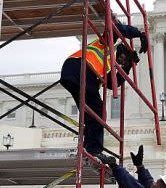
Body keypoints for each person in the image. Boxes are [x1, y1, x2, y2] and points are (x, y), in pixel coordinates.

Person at [59, 23, 148, 155]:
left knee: (90, 113)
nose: (121, 61)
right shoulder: (107, 44)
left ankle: (87, 147)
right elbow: (116, 29)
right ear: (120, 49)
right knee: (98, 112)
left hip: (76, 75)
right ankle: (93, 150)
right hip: (80, 68)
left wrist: (127, 68)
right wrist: (139, 33)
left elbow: (113, 84)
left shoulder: (109, 65)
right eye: (123, 58)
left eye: (124, 61)